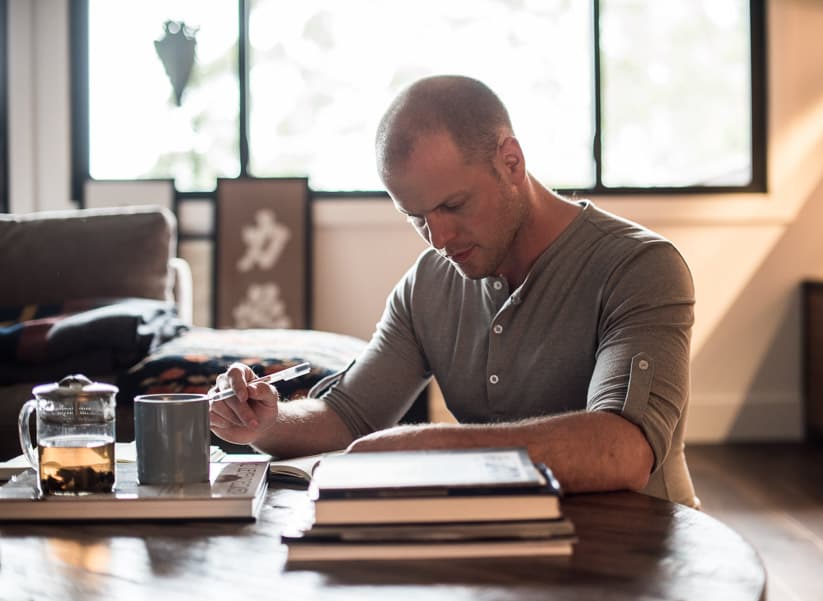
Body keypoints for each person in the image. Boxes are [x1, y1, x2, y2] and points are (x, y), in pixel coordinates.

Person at [210, 75, 697, 506]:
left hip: (639, 550)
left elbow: (624, 450)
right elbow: (348, 414)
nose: (440, 240)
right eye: (416, 218)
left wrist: (426, 448)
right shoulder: (428, 284)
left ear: (511, 161)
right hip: (501, 541)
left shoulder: (639, 266)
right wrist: (265, 424)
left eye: (454, 205)